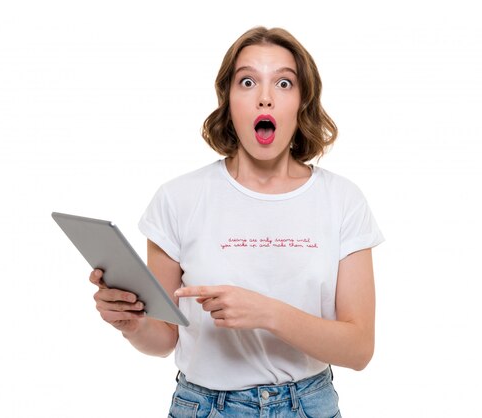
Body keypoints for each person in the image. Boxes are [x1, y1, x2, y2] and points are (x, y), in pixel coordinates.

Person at [89, 26, 384, 417]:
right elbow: (162, 339)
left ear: (302, 101)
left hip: (310, 406)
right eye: (247, 82)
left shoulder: (342, 200)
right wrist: (130, 323)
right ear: (229, 100)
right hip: (204, 406)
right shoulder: (178, 199)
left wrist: (266, 313)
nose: (265, 97)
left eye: (283, 83)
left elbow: (359, 349)